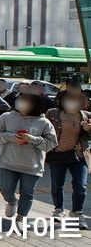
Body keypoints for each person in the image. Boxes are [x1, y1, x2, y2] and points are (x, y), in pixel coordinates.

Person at [0, 93, 58, 227]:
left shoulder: (44, 122)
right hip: (8, 162)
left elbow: (51, 143)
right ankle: (11, 202)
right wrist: (11, 137)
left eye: (26, 101)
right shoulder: (6, 117)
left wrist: (32, 139)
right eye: (20, 100)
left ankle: (20, 219)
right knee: (6, 189)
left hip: (32, 165)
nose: (21, 103)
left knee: (27, 193)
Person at [45, 90, 91, 230]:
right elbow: (44, 130)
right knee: (57, 185)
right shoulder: (52, 113)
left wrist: (89, 129)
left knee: (81, 186)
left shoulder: (87, 116)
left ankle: (77, 213)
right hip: (57, 155)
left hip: (79, 156)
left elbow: (89, 138)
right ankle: (58, 210)